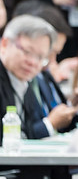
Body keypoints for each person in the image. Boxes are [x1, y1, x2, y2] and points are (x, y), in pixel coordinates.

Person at [12, 1, 78, 138]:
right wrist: (50, 124)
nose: (53, 61)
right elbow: (17, 133)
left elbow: (62, 125)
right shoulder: (17, 77)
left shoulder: (44, 76)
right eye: (50, 52)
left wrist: (74, 107)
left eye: (56, 53)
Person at [0, 15, 57, 144]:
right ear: (5, 44)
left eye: (40, 57)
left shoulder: (26, 82)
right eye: (27, 52)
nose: (32, 62)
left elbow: (28, 132)